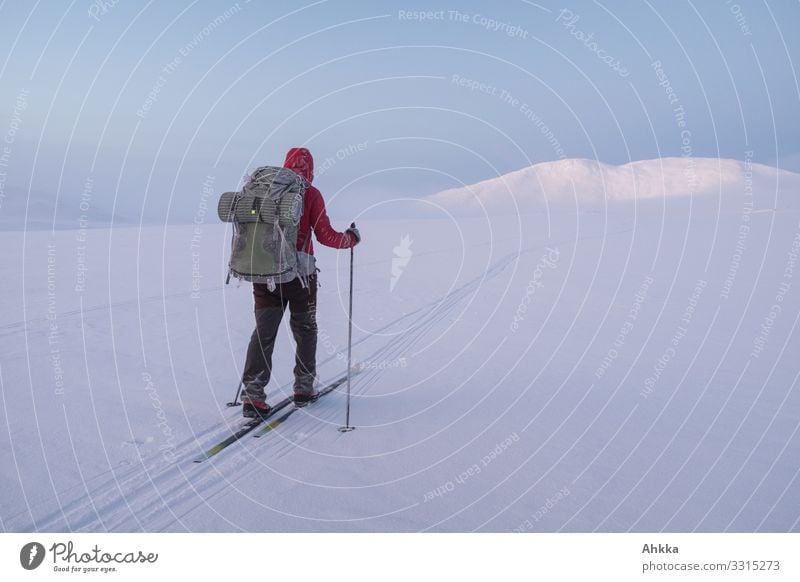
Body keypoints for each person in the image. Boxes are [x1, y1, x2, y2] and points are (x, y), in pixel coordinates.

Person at [239, 147, 360, 418]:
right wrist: (351, 239)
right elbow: (326, 236)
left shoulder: (266, 189)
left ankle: (253, 394)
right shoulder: (310, 193)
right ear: (310, 170)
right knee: (305, 329)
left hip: (264, 273)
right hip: (300, 277)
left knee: (263, 332)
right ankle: (304, 387)